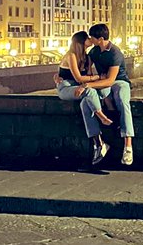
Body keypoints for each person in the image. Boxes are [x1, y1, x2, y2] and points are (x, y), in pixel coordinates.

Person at [55, 30, 113, 165]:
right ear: (81, 42)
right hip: (65, 88)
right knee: (90, 92)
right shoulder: (71, 56)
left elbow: (87, 78)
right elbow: (79, 78)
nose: (90, 39)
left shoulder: (87, 58)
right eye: (87, 38)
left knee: (86, 104)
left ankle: (99, 144)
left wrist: (88, 82)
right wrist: (98, 77)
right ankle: (101, 116)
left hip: (79, 87)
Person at [86, 23, 135, 165]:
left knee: (123, 100)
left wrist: (89, 84)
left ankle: (128, 145)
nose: (90, 39)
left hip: (119, 81)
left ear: (100, 39)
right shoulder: (94, 52)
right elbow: (87, 68)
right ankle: (99, 142)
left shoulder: (115, 53)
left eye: (92, 37)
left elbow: (110, 80)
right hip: (104, 82)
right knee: (89, 100)